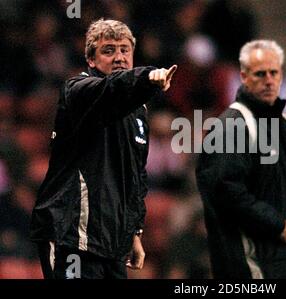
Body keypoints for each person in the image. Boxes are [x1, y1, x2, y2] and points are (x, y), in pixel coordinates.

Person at [30, 19, 177, 279]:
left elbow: (136, 177)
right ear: (91, 60)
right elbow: (112, 89)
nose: (119, 57)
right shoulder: (77, 90)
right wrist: (146, 76)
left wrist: (135, 233)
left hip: (111, 243)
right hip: (71, 236)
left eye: (124, 50)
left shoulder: (139, 111)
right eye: (108, 50)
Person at [196, 40, 286, 279]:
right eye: (260, 74)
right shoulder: (233, 125)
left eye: (274, 73)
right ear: (244, 77)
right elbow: (226, 191)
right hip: (253, 265)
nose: (269, 80)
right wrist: (277, 224)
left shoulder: (283, 123)